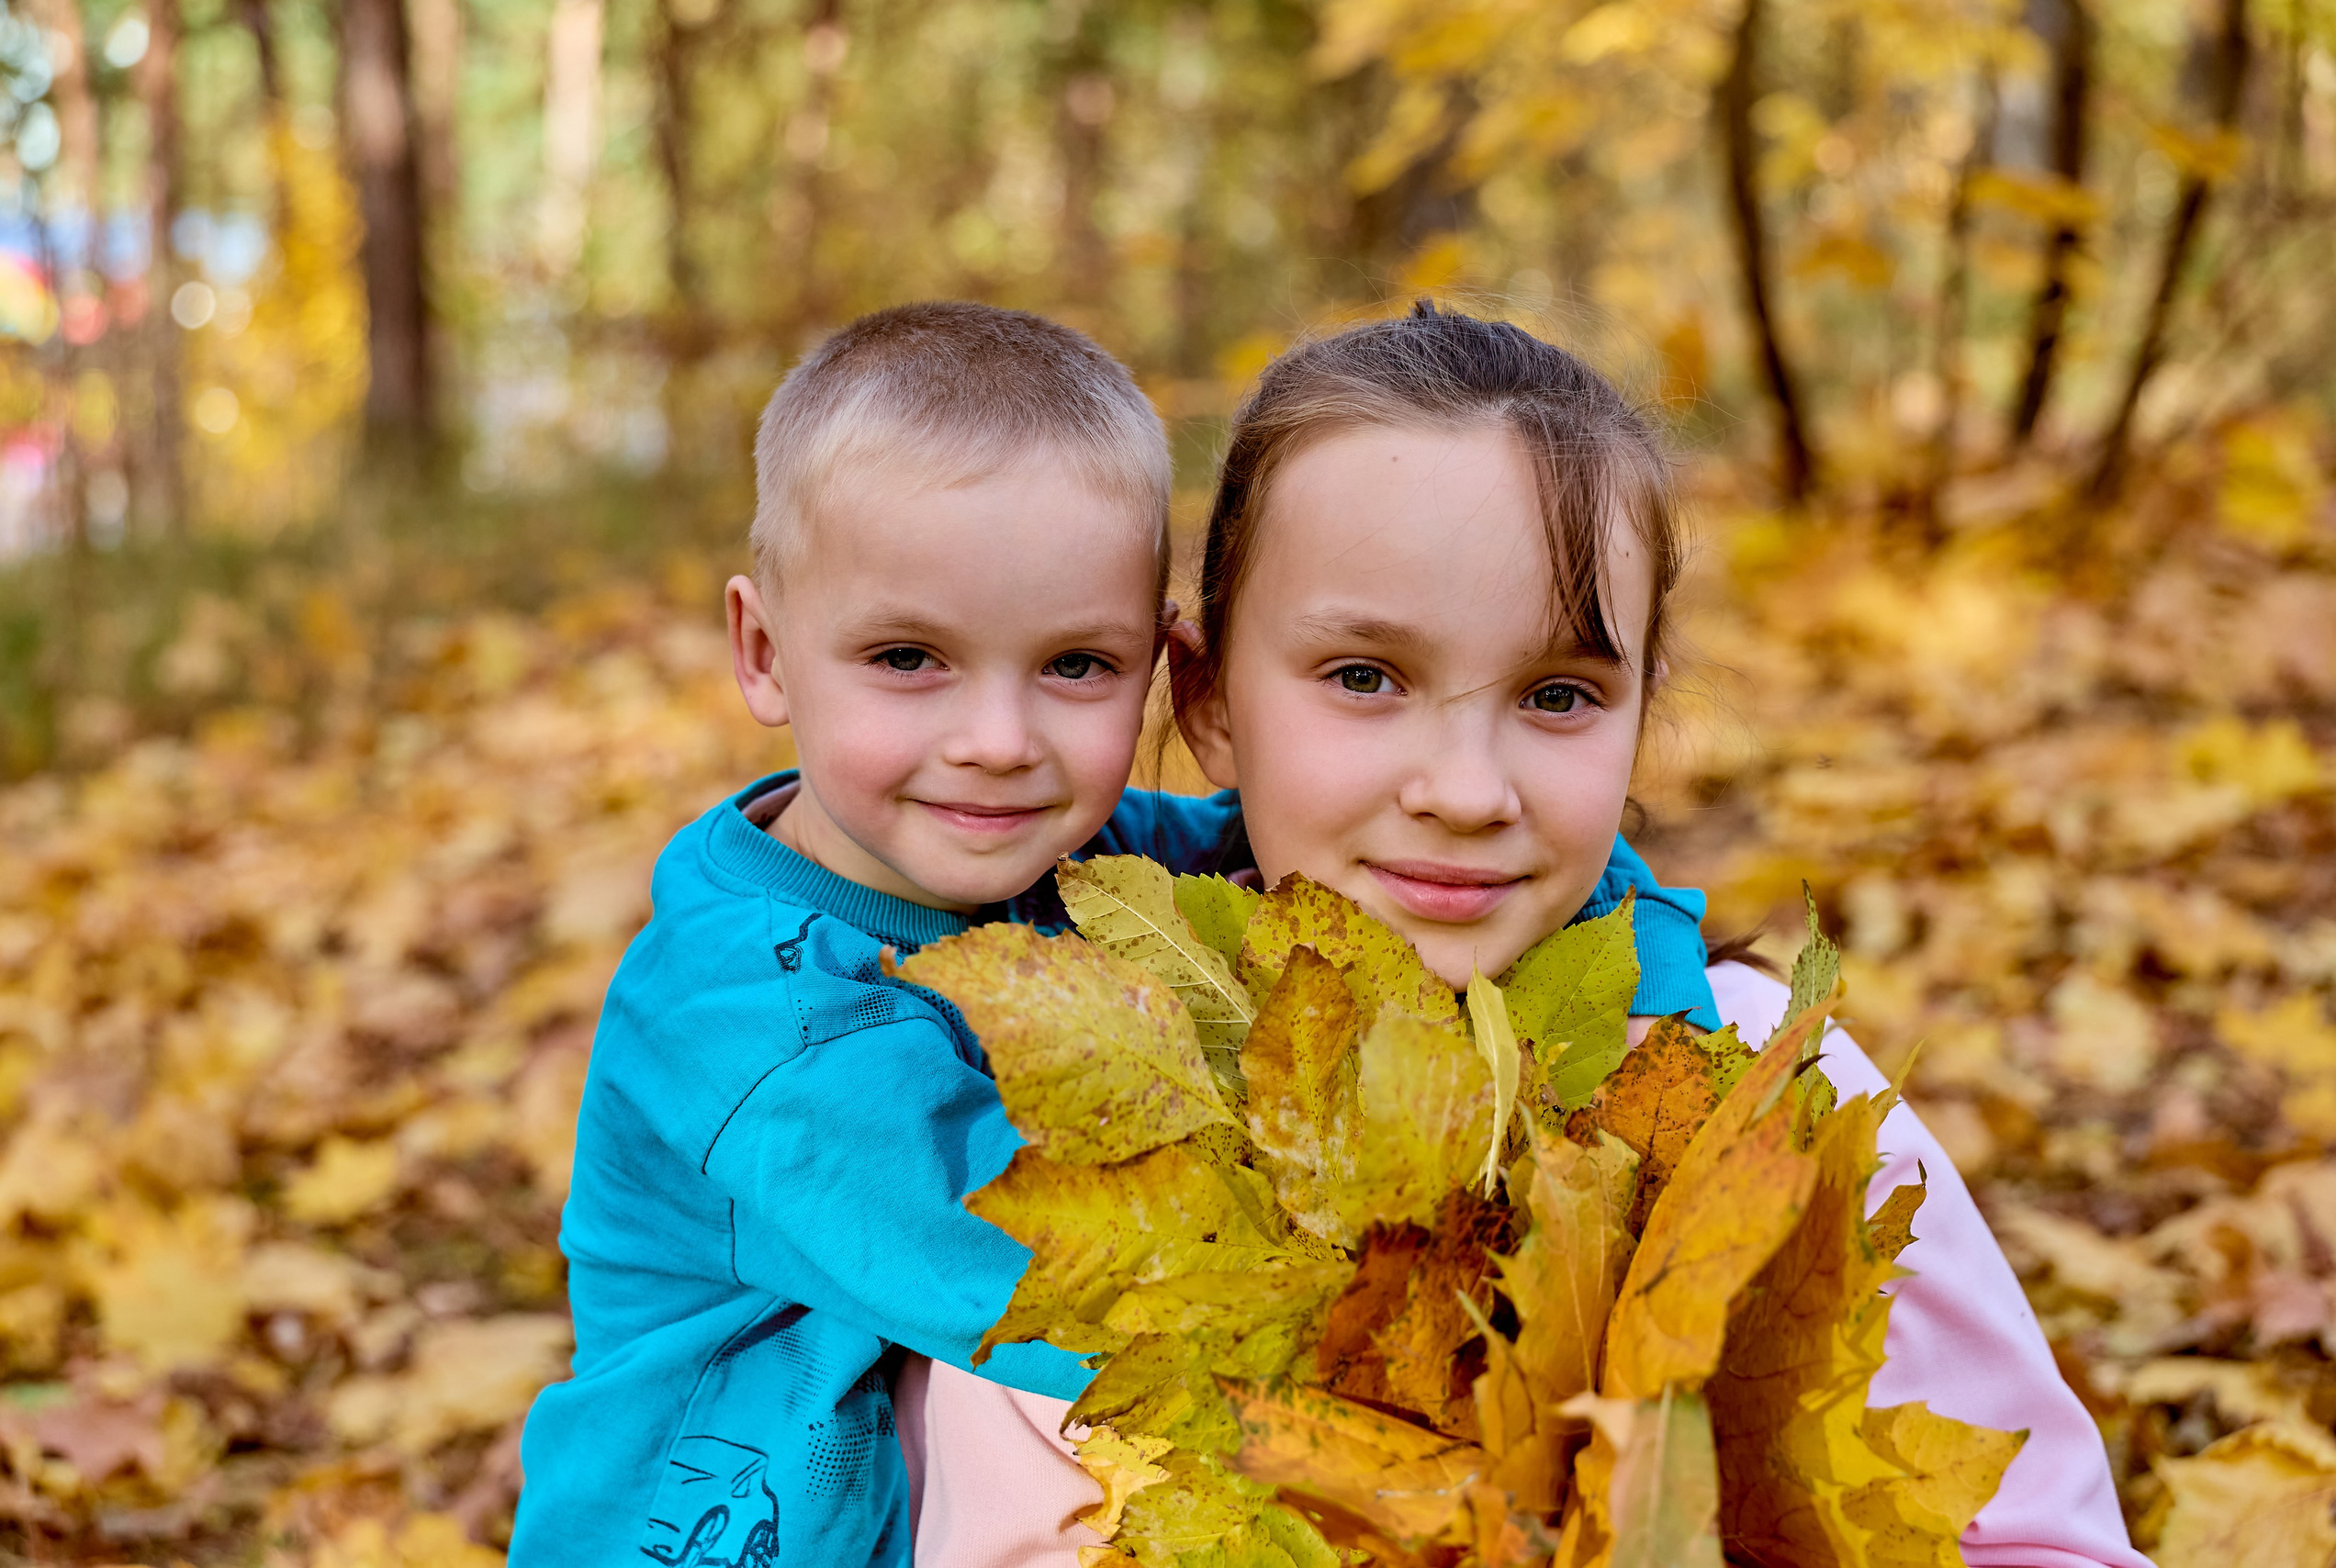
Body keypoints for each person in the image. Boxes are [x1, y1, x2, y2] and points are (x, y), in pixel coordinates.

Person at [900, 305, 2149, 1568]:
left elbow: (2041, 1538)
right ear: (1210, 699)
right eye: (1365, 679)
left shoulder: (1762, 1087)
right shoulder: (1097, 1138)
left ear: (1641, 711)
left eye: (1558, 696)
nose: (1466, 788)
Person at [507, 301, 1721, 1568]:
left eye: (1075, 666)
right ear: (764, 653)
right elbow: (1080, 1281)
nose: (999, 740)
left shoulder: (1102, 863)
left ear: (1161, 674)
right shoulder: (749, 1027)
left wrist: (1652, 1022)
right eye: (909, 656)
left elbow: (1490, 866)